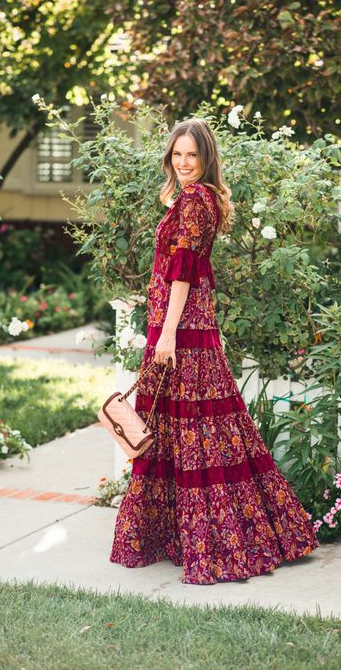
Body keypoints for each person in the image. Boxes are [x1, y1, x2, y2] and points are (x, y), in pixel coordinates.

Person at [109, 117, 319, 585]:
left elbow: (183, 271)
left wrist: (166, 333)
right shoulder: (195, 199)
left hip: (179, 331)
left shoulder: (195, 199)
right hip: (186, 326)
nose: (184, 164)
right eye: (177, 155)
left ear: (206, 160)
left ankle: (215, 540)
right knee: (187, 430)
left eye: (192, 156)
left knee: (196, 432)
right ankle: (184, 536)